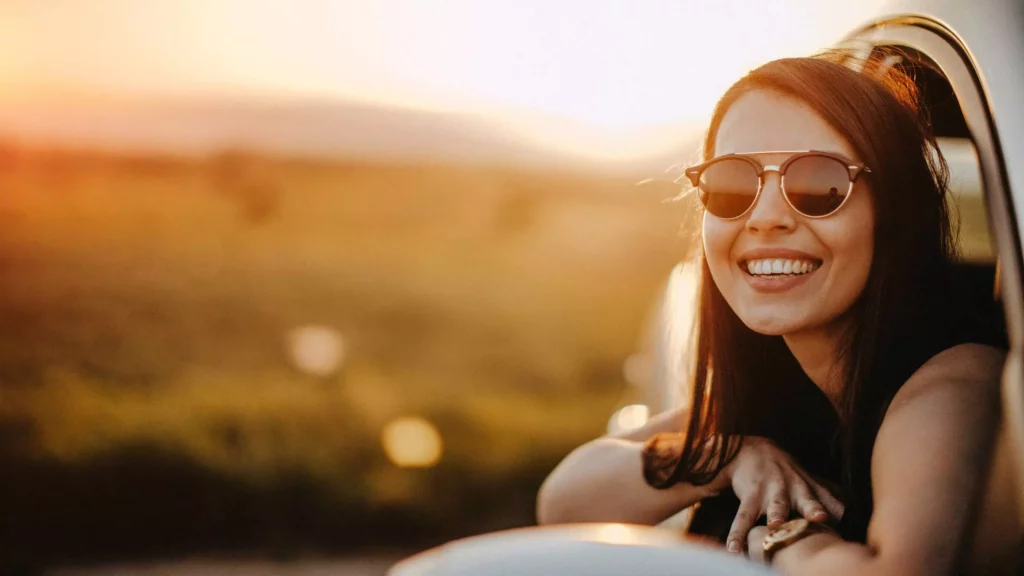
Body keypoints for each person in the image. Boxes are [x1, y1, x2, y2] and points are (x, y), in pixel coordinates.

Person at [536, 50, 1008, 574]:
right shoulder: (775, 384)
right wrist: (727, 456)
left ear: (894, 211)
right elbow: (563, 501)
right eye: (733, 184)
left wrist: (783, 536)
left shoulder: (953, 383)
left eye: (820, 184)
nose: (764, 218)